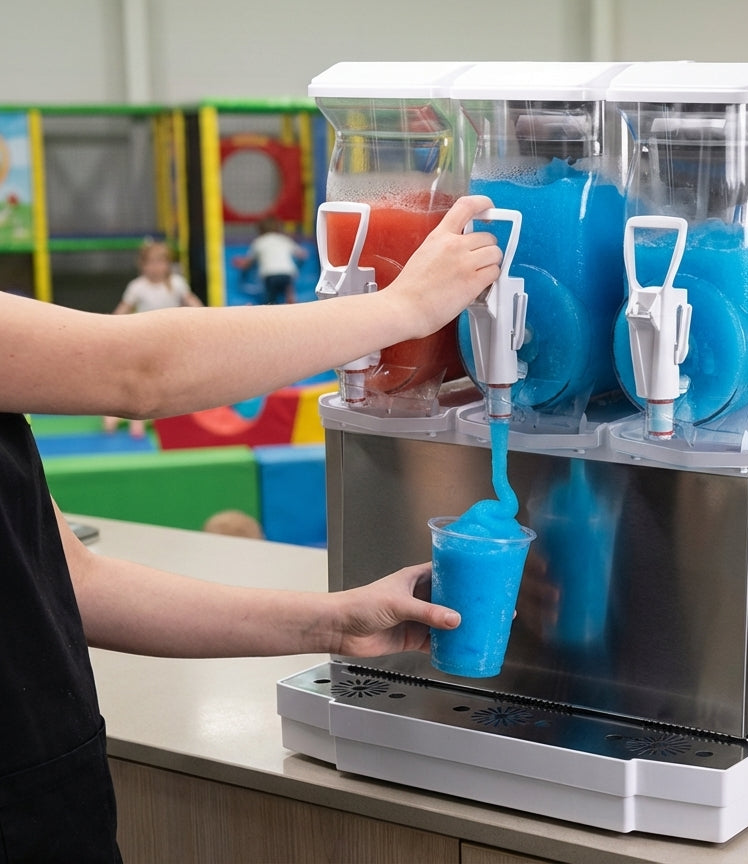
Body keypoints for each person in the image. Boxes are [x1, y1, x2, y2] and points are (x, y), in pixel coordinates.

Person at [0, 194, 500, 860]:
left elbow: (69, 582)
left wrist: (334, 623)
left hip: (46, 786)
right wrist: (403, 308)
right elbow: (138, 372)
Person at [104, 240, 204, 437]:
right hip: (145, 340)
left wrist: (206, 314)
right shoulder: (137, 287)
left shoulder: (176, 283)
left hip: (170, 340)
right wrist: (108, 324)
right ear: (142, 265)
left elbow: (190, 300)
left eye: (160, 262)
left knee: (167, 380)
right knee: (142, 379)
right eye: (150, 263)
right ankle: (122, 416)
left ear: (168, 264)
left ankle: (160, 415)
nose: (155, 267)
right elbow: (124, 308)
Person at [231, 217, 310, 305]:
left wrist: (240, 263)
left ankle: (272, 305)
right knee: (289, 293)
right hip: (287, 272)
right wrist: (299, 265)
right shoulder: (283, 239)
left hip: (269, 273)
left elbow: (248, 262)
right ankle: (291, 301)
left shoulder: (259, 242)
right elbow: (302, 255)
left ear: (260, 230)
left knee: (271, 300)